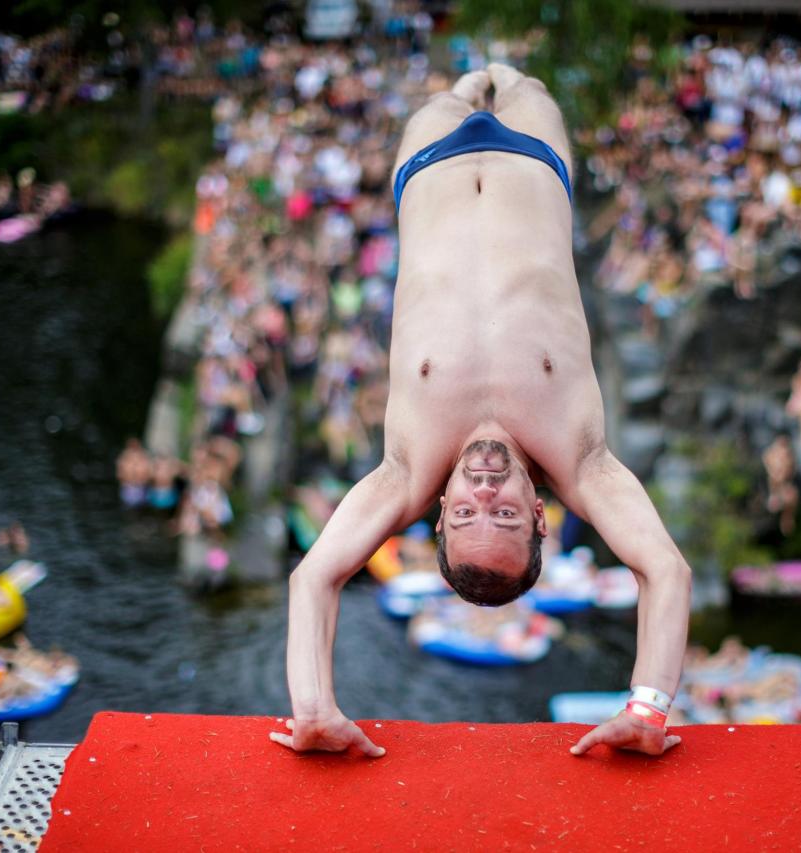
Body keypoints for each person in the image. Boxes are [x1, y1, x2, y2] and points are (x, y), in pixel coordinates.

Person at [273, 65, 690, 760]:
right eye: (506, 516)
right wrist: (648, 710)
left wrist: (314, 710)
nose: (486, 494)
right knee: (524, 84)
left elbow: (313, 575)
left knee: (451, 92)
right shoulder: (581, 460)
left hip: (429, 167)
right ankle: (506, 73)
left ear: (440, 514)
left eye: (468, 514)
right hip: (535, 162)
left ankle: (472, 85)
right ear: (540, 516)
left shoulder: (406, 471)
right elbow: (665, 568)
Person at [762, 435, 798, 536]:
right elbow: (766, 458)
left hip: (784, 482)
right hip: (776, 482)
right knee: (775, 478)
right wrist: (772, 470)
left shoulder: (788, 457)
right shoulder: (771, 455)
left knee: (791, 496)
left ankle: (786, 520)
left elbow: (792, 468)